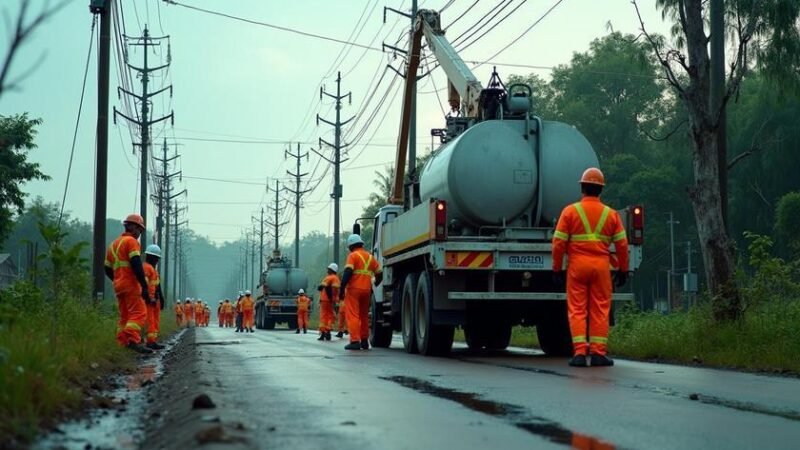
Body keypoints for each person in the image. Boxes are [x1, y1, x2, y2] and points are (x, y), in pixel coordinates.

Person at [552, 167, 629, 367]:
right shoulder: (611, 215)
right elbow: (622, 244)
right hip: (601, 267)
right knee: (600, 309)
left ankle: (579, 354)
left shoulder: (570, 212)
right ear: (600, 190)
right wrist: (623, 269)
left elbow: (558, 243)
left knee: (577, 309)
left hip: (577, 266)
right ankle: (597, 354)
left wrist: (557, 269)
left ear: (583, 188)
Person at [104, 214, 152, 354]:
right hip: (130, 284)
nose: (139, 233)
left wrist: (117, 279)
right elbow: (136, 263)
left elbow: (107, 268)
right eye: (139, 230)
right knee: (139, 312)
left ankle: (121, 342)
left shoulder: (113, 244)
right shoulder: (131, 242)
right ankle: (132, 340)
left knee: (125, 316)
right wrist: (143, 285)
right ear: (133, 227)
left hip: (118, 285)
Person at [339, 235, 382, 350]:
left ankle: (354, 341)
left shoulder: (352, 256)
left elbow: (348, 272)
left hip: (354, 290)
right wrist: (376, 283)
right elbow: (379, 273)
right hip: (367, 290)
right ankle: (364, 341)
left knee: (353, 315)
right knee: (363, 316)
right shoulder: (370, 257)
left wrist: (342, 288)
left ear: (351, 246)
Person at [143, 244, 166, 350]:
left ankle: (153, 341)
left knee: (155, 320)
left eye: (158, 258)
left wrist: (160, 298)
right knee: (150, 321)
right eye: (156, 258)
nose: (157, 260)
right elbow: (144, 284)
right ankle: (150, 342)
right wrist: (148, 297)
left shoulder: (153, 270)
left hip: (154, 300)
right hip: (149, 300)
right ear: (149, 257)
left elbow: (157, 285)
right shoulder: (146, 268)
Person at [317, 263, 340, 341]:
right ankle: (328, 331)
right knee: (330, 316)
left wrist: (329, 298)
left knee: (324, 316)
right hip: (330, 300)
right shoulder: (336, 279)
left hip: (325, 300)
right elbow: (336, 291)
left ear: (331, 270)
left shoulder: (329, 278)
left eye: (328, 269)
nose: (327, 270)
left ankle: (323, 333)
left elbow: (322, 288)